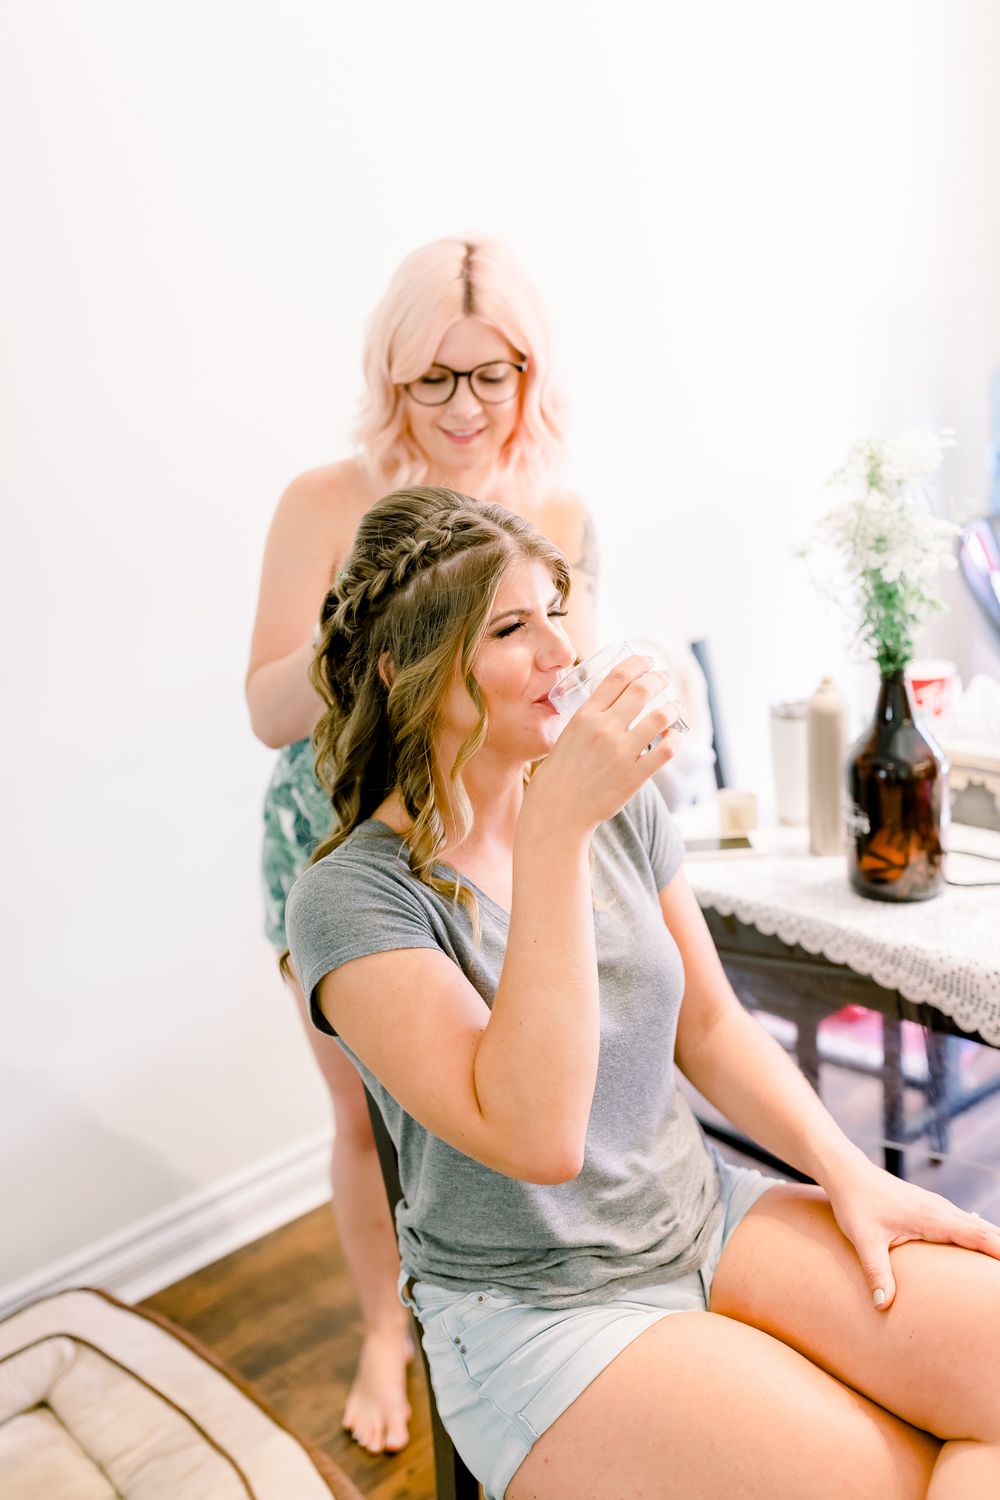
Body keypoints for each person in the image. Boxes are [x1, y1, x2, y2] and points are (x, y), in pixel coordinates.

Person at [286, 485, 1000, 1500]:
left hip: (702, 1213)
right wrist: (553, 832)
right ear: (404, 668)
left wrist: (847, 1173)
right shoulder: (352, 900)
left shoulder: (612, 808)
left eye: (556, 611)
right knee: (905, 1476)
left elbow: (710, 1025)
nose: (560, 650)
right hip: (542, 1311)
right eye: (509, 629)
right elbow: (537, 1137)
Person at [245, 238, 597, 1453]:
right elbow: (267, 712)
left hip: (494, 841)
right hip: (340, 838)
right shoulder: (322, 502)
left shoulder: (555, 509)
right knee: (366, 1118)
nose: (462, 407)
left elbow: (559, 698)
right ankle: (382, 1330)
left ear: (527, 372)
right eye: (432, 379)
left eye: (490, 375)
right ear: (390, 377)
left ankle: (514, 1315)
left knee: (504, 1095)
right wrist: (378, 617)